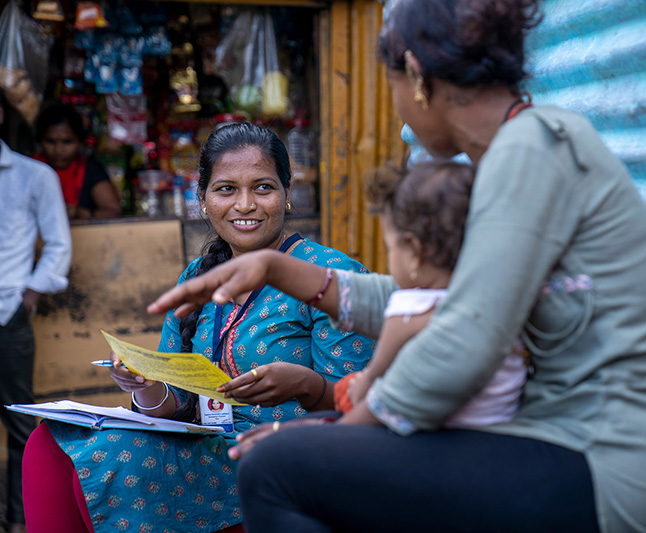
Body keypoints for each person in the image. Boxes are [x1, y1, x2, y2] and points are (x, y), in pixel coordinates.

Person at [148, 0, 646, 531]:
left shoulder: (529, 151)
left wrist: (351, 419)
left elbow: (465, 339)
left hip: (612, 465)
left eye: (392, 84)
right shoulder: (518, 152)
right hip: (557, 443)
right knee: (300, 450)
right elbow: (440, 303)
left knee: (276, 465)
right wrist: (277, 270)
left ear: (415, 73)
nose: (398, 121)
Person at [21, 122, 374, 533]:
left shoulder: (332, 273)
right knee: (47, 444)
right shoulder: (198, 275)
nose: (245, 204)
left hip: (282, 454)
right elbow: (176, 402)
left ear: (287, 195)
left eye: (262, 187)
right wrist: (144, 385)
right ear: (203, 200)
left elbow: (359, 408)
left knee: (117, 455)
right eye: (226, 190)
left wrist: (305, 383)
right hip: (204, 450)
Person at [335, 160, 529, 428]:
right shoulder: (500, 296)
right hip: (499, 428)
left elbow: (374, 375)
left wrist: (363, 383)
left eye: (390, 247)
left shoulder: (410, 307)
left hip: (443, 438)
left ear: (413, 252)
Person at [0, 91, 72, 533]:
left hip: (7, 313)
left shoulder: (33, 175)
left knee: (20, 422)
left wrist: (30, 290)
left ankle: (23, 524)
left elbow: (58, 245)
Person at [34, 102, 122, 219]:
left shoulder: (90, 168)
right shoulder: (30, 168)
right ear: (40, 141)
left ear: (80, 143)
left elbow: (114, 211)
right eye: (50, 141)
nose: (58, 150)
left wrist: (80, 213)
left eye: (67, 142)